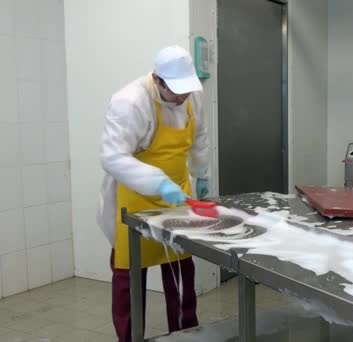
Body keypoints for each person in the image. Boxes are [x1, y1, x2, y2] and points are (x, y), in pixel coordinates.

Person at [97, 45, 210, 341]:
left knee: (181, 268)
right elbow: (112, 157)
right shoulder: (130, 102)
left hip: (177, 195)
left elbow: (199, 137)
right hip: (133, 196)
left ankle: (186, 333)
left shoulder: (192, 96)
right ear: (158, 80)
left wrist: (202, 174)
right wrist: (157, 183)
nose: (183, 96)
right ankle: (130, 336)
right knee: (129, 276)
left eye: (187, 89)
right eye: (176, 90)